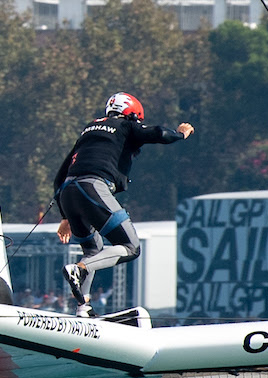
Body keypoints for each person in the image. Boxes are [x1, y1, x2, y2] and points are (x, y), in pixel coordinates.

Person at [53, 92, 194, 314]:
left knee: (92, 250)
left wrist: (64, 216)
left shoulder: (89, 129)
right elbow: (158, 133)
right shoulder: (127, 125)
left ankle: (83, 309)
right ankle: (79, 270)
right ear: (132, 113)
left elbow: (60, 174)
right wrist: (180, 134)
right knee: (131, 247)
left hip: (68, 192)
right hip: (93, 188)